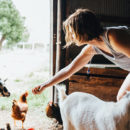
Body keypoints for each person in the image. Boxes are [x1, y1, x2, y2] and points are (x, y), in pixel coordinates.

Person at [32, 8, 130, 101]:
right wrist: (45, 85)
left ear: (83, 30)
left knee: (124, 99)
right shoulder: (91, 48)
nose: (71, 37)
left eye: (72, 32)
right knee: (122, 98)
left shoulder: (113, 37)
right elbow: (68, 70)